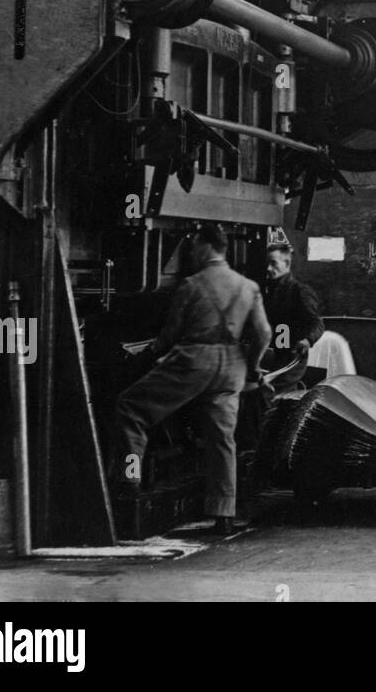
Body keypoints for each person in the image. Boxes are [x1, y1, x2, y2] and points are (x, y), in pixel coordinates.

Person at [115, 224, 271, 536]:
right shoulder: (248, 286)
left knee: (129, 409)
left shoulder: (191, 285)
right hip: (232, 367)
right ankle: (224, 514)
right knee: (222, 440)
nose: (191, 251)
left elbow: (169, 336)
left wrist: (144, 357)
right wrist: (253, 367)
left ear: (206, 246)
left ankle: (130, 480)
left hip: (194, 362)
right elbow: (264, 333)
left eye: (194, 246)